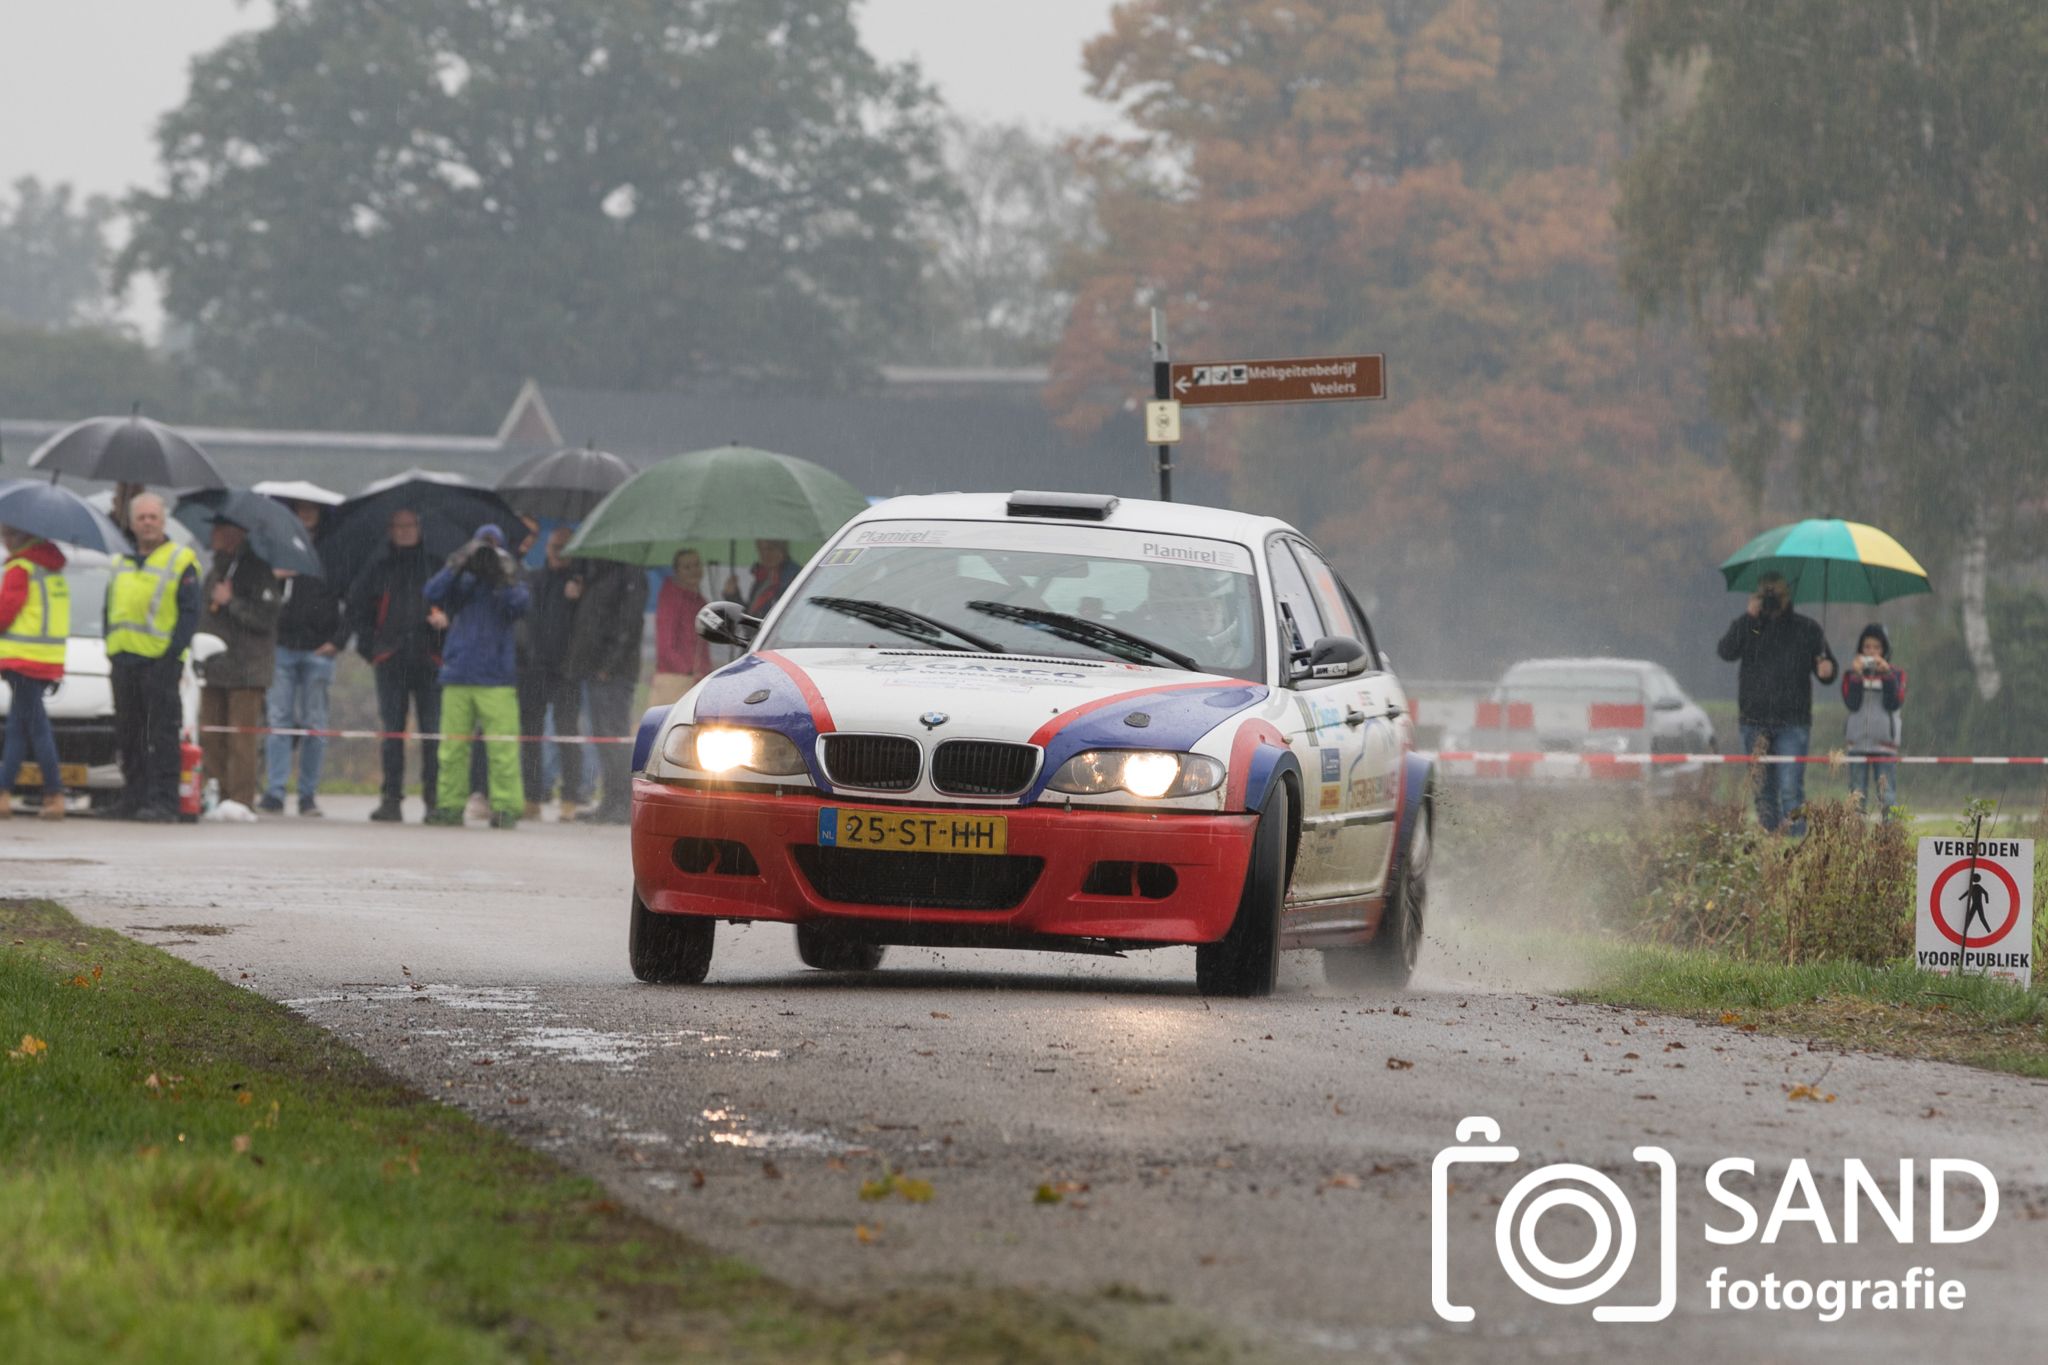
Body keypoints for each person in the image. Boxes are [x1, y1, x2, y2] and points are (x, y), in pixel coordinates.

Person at [424, 525, 530, 828]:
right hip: (458, 673)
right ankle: (449, 805)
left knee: (502, 747)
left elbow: (521, 606)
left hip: (496, 677)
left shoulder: (509, 581)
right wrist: (456, 565)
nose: (486, 552)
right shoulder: (463, 580)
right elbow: (431, 593)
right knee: (452, 748)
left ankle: (506, 807)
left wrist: (504, 578)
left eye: (493, 546)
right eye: (482, 545)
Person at [1716, 570, 1836, 836]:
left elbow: (1827, 670)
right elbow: (1725, 651)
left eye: (1776, 594)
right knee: (1762, 790)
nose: (1771, 599)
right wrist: (1749, 617)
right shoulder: (1751, 626)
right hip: (1753, 721)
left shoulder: (1806, 629)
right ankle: (1768, 847)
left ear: (1788, 594)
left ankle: (1795, 845)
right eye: (1765, 593)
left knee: (1791, 787)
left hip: (1793, 722)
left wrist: (1828, 669)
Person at [105, 492, 200, 822]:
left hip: (159, 664)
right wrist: (110, 648)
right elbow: (110, 610)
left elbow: (189, 615)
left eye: (153, 517)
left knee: (160, 734)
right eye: (141, 518)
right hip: (124, 661)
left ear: (163, 521)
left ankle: (164, 801)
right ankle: (132, 798)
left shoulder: (180, 559)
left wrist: (171, 657)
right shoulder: (121, 561)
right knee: (128, 733)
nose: (147, 523)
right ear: (131, 523)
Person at [346, 508, 443, 822]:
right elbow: (357, 609)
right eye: (398, 526)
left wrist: (445, 625)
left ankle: (434, 800)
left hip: (431, 661)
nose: (404, 531)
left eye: (409, 525)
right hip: (391, 661)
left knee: (433, 733)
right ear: (390, 530)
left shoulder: (437, 567)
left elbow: (455, 606)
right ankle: (391, 798)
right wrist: (372, 650)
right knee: (392, 733)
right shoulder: (378, 568)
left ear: (420, 527)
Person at [261, 499, 346, 816]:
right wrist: (275, 576)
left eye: (312, 509)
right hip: (281, 646)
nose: (306, 514)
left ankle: (308, 794)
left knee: (315, 724)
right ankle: (275, 792)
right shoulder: (278, 547)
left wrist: (337, 641)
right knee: (279, 721)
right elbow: (260, 592)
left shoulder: (334, 552)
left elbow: (350, 599)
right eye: (300, 509)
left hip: (318, 649)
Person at [198, 518, 281, 813]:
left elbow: (265, 619)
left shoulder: (259, 571)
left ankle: (241, 801)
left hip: (248, 668)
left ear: (236, 534)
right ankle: (214, 796)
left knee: (241, 738)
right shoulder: (215, 571)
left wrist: (232, 601)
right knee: (211, 736)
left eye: (220, 530)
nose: (214, 535)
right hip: (214, 667)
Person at [566, 553, 647, 824]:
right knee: (602, 738)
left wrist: (609, 665)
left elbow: (629, 624)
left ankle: (622, 802)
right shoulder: (597, 574)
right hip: (595, 669)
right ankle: (609, 800)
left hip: (613, 672)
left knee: (614, 738)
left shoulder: (629, 575)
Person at [0, 526, 69, 820]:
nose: (4, 540)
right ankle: (3, 793)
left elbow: (5, 611)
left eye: (6, 534)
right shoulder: (51, 568)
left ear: (19, 536)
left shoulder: (21, 567)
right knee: (19, 727)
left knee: (36, 728)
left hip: (22, 660)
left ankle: (54, 794)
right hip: (47, 660)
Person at [519, 526, 587, 820]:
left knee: (567, 735)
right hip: (534, 670)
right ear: (546, 549)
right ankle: (531, 796)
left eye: (564, 547)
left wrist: (578, 598)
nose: (558, 553)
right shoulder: (533, 579)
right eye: (553, 546)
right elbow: (523, 621)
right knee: (530, 736)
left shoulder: (581, 584)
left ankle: (570, 797)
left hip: (566, 672)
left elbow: (587, 627)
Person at [1841, 622, 1906, 819]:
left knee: (1887, 796)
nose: (1871, 652)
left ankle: (1889, 840)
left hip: (1884, 744)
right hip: (1857, 743)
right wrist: (1857, 677)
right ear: (1860, 649)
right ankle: (1855, 838)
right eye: (1867, 647)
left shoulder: (1896, 674)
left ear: (1884, 650)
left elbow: (1895, 702)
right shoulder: (1851, 674)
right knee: (1856, 795)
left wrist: (1886, 674)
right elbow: (1851, 703)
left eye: (1876, 647)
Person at [651, 547, 712, 707]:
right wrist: (689, 670)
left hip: (697, 679)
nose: (694, 571)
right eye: (687, 567)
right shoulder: (671, 598)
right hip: (675, 679)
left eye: (697, 565)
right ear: (676, 571)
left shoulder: (700, 601)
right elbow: (666, 645)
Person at [723, 539, 801, 618]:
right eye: (761, 549)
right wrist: (733, 596)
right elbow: (750, 617)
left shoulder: (793, 579)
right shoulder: (762, 579)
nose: (765, 554)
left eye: (770, 549)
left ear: (782, 550)